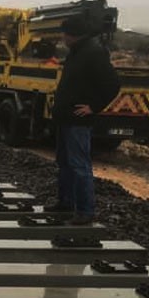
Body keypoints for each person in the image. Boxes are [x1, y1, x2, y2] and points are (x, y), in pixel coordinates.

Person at [45, 16, 120, 225]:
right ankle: (66, 203)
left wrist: (93, 107)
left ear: (72, 35)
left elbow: (113, 84)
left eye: (64, 34)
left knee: (79, 165)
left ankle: (85, 211)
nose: (62, 37)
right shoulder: (76, 53)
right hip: (66, 118)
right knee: (65, 163)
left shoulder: (93, 53)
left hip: (78, 122)